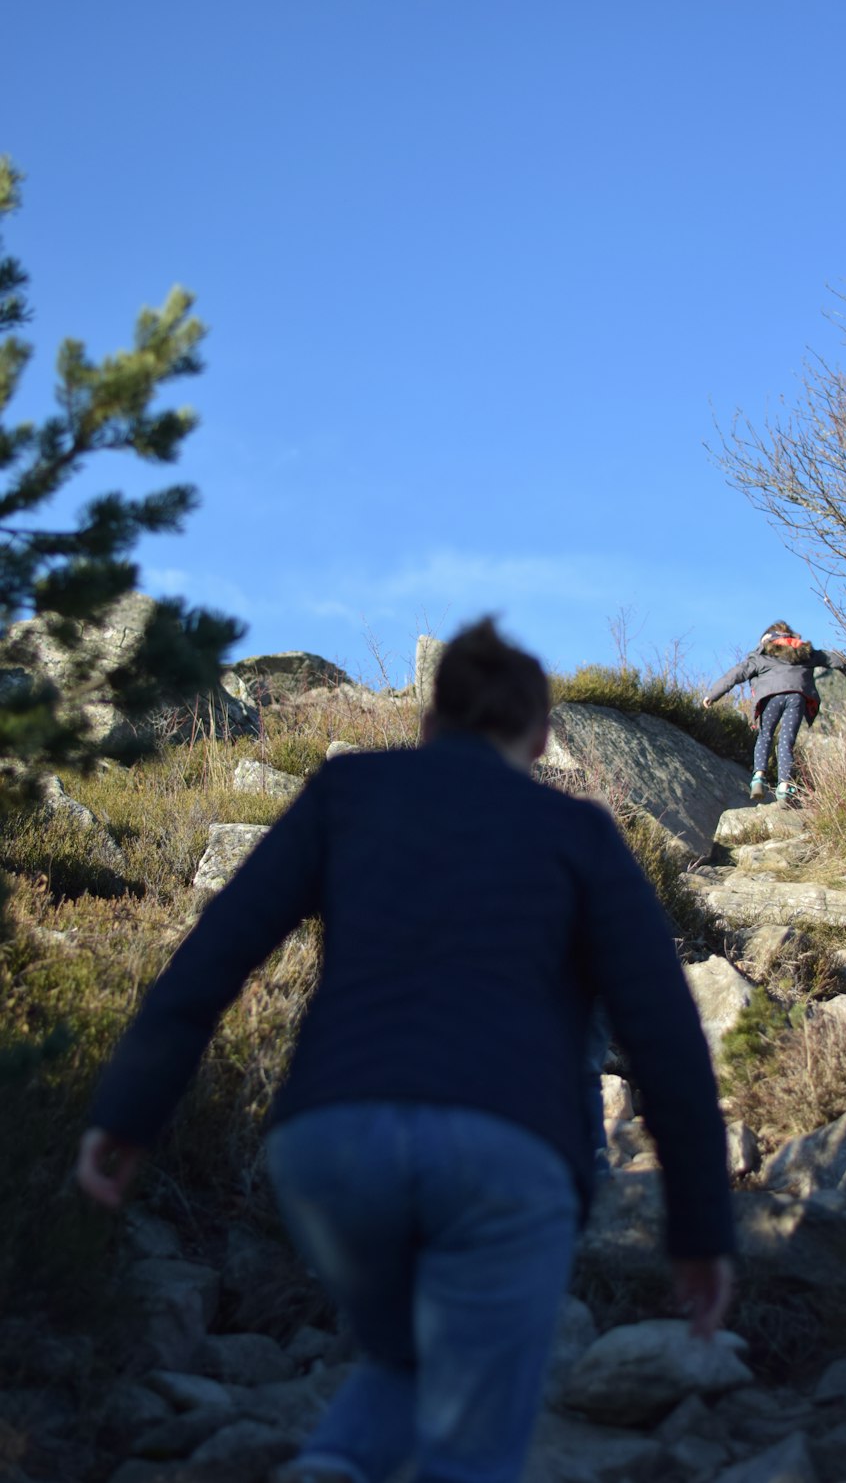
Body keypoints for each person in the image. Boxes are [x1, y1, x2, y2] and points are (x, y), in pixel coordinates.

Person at [77, 617, 735, 1483]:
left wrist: (126, 1112)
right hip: (511, 1151)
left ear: (429, 725)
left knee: (407, 1359)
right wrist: (698, 1231)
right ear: (541, 738)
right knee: (471, 1446)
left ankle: (333, 1465)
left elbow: (215, 955)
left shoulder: (347, 792)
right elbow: (664, 1036)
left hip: (330, 1145)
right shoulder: (579, 836)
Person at [703, 619, 846, 803]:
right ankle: (784, 786)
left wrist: (712, 694)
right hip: (797, 697)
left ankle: (758, 777)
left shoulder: (761, 656)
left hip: (770, 697)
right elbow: (836, 658)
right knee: (786, 741)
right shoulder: (805, 653)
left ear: (767, 640)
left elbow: (735, 674)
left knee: (765, 735)